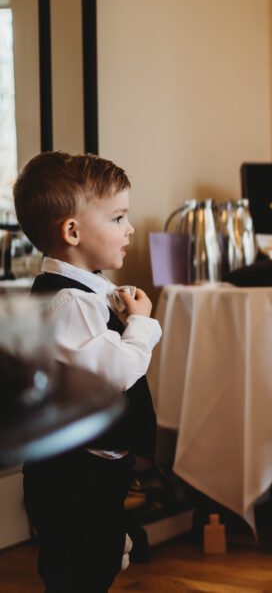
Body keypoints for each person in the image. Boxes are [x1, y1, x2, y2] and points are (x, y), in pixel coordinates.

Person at [13, 151, 160, 592]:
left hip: (93, 469)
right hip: (75, 478)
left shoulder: (86, 295)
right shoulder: (69, 303)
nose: (129, 228)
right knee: (79, 572)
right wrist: (140, 325)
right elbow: (114, 371)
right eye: (118, 218)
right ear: (72, 231)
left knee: (93, 562)